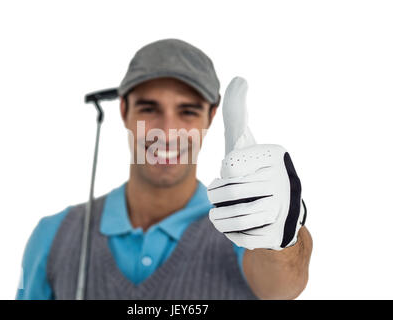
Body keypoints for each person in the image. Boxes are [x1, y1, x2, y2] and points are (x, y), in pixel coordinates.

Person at [16, 38, 312, 300]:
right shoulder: (53, 235)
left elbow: (282, 287)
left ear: (210, 115)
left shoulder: (238, 225)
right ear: (124, 110)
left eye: (187, 111)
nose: (168, 131)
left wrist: (281, 239)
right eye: (149, 108)